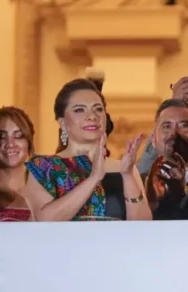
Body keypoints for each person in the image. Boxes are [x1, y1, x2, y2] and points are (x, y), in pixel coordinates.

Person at [25, 79, 150, 221]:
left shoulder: (124, 168)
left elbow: (143, 227)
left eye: (98, 109)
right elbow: (45, 222)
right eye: (79, 110)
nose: (92, 116)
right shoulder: (43, 167)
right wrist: (94, 177)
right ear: (63, 122)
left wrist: (127, 176)